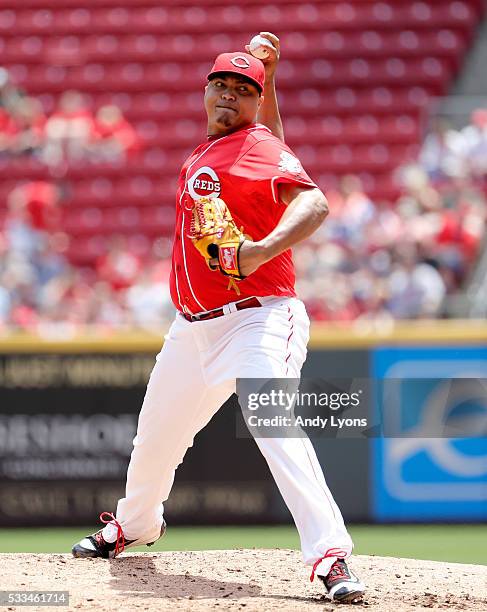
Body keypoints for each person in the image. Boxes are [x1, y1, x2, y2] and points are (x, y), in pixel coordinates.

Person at [72, 33, 365, 604]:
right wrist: (270, 79)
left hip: (258, 318)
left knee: (273, 422)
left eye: (244, 89)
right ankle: (136, 524)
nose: (230, 95)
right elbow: (275, 143)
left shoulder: (253, 144)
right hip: (193, 327)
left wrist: (260, 249)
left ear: (254, 103)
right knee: (156, 438)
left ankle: (330, 555)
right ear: (206, 91)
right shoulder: (222, 149)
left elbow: (313, 201)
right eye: (222, 85)